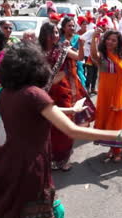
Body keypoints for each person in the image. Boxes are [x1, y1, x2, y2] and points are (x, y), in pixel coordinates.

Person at [0, 42, 122, 218]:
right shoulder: (34, 94)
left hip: (14, 162)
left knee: (55, 216)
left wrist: (71, 110)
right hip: (31, 169)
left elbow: (43, 112)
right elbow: (71, 129)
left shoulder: (6, 93)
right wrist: (117, 134)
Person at [38, 22, 89, 171]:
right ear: (44, 35)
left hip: (62, 91)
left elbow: (79, 57)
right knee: (47, 126)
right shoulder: (37, 50)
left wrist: (80, 45)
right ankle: (49, 157)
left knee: (64, 124)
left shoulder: (62, 49)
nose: (55, 36)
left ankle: (63, 159)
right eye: (51, 33)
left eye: (56, 33)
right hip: (44, 92)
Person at [90, 30, 122, 162]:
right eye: (108, 39)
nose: (110, 42)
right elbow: (93, 56)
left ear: (118, 43)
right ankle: (112, 148)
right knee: (107, 119)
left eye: (114, 40)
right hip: (105, 92)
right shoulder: (102, 55)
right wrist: (93, 38)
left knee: (117, 121)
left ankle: (117, 150)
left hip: (119, 91)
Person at [60, 17, 86, 87]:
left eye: (73, 26)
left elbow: (81, 55)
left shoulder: (78, 38)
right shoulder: (59, 38)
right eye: (69, 26)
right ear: (63, 27)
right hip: (63, 71)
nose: (72, 28)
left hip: (77, 69)